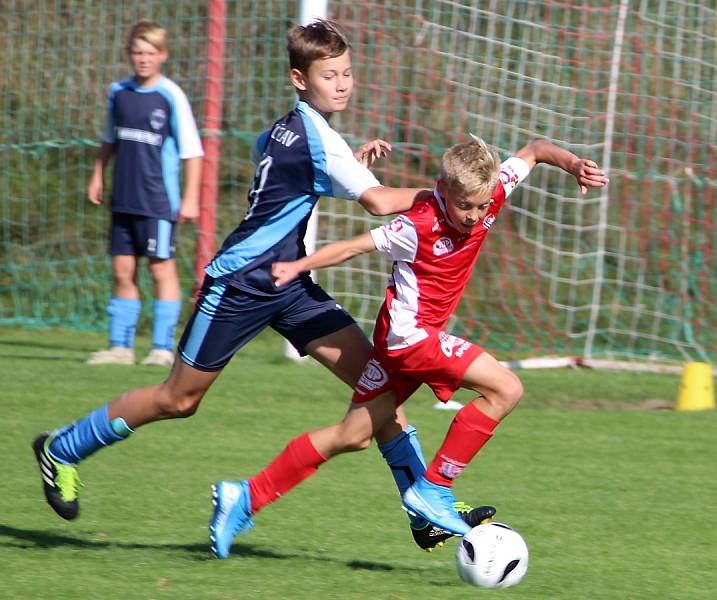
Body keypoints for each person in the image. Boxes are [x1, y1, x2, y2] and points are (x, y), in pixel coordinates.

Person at [32, 18, 492, 555]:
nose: (342, 84)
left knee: (378, 390)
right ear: (300, 79)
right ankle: (62, 448)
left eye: (347, 73)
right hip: (240, 283)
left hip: (289, 282)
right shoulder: (318, 140)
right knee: (178, 399)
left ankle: (423, 506)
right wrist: (452, 193)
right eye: (328, 75)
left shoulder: (292, 128)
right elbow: (381, 202)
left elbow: (267, 155)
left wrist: (344, 163)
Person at [208, 135, 608, 558]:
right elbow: (352, 247)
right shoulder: (417, 225)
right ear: (442, 189)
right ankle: (434, 490)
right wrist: (297, 266)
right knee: (506, 389)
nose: (474, 216)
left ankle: (247, 496)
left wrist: (571, 164)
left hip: (394, 344)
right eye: (464, 206)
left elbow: (534, 150)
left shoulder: (491, 192)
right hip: (410, 338)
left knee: (353, 435)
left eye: (481, 206)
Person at [86, 20, 204, 367]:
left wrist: (191, 196)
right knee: (122, 270)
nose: (143, 59)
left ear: (162, 56)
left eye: (150, 53)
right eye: (137, 52)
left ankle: (162, 348)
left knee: (160, 270)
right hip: (123, 197)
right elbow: (109, 139)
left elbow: (192, 151)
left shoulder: (170, 95)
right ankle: (120, 347)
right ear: (129, 54)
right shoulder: (117, 92)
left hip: (157, 200)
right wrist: (97, 175)